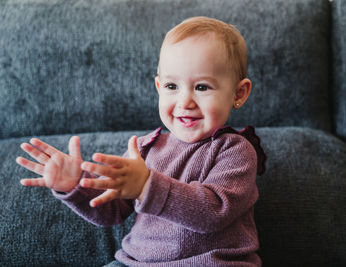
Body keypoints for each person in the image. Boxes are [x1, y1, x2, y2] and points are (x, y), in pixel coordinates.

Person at [16, 16, 266, 267]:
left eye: (202, 87)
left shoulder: (235, 150)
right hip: (135, 263)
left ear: (239, 93)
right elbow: (109, 209)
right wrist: (75, 187)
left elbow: (214, 211)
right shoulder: (145, 149)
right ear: (158, 86)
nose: (184, 102)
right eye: (172, 85)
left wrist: (147, 185)